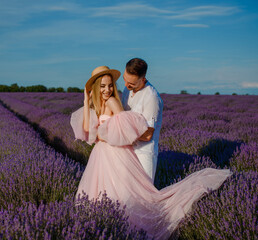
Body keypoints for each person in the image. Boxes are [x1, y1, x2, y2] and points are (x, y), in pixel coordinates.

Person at [70, 65, 232, 239]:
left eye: (110, 85)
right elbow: (87, 129)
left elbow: (126, 128)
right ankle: (105, 228)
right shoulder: (100, 102)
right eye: (102, 86)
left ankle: (127, 231)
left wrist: (104, 136)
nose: (108, 89)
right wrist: (86, 102)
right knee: (102, 193)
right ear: (95, 87)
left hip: (115, 153)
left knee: (125, 196)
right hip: (101, 155)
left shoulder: (113, 101)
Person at [121, 58, 163, 183]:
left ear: (143, 79)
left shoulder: (151, 97)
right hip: (127, 150)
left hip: (144, 153)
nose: (126, 85)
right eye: (124, 79)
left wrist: (120, 134)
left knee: (145, 193)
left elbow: (148, 134)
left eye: (132, 84)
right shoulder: (126, 90)